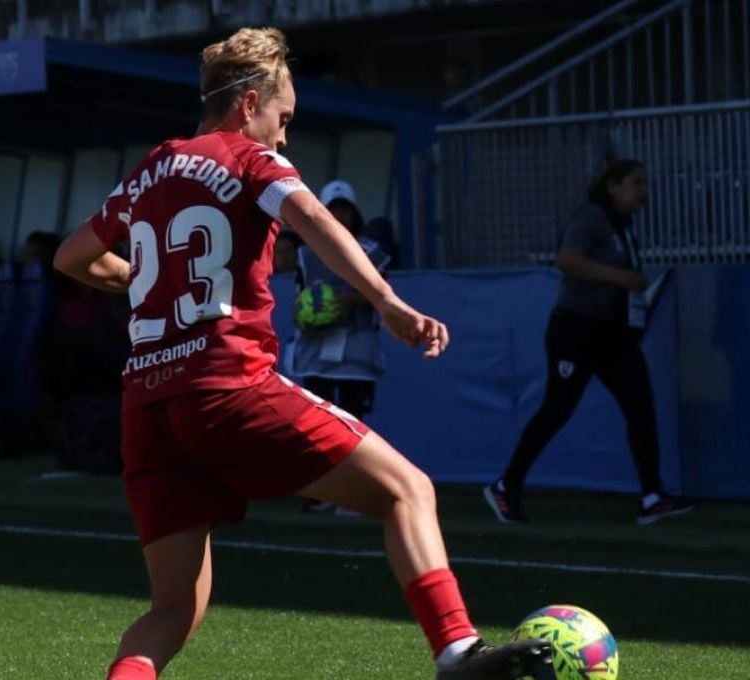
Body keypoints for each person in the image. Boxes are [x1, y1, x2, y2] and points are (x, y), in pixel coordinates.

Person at [53, 27, 551, 680]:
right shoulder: (248, 158)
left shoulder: (153, 166)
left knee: (173, 610)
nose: (284, 136)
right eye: (283, 119)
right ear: (251, 102)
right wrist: (387, 301)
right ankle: (459, 652)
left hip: (147, 411)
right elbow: (315, 221)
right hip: (225, 386)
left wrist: (132, 279)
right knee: (407, 490)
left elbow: (70, 256)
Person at [484, 160, 693, 527]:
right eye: (636, 183)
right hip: (577, 330)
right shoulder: (591, 218)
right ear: (612, 186)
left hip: (612, 334)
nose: (643, 192)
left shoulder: (622, 227)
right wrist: (621, 277)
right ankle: (506, 485)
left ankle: (652, 496)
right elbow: (567, 259)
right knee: (557, 409)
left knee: (640, 404)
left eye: (645, 183)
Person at [292, 179, 389, 418]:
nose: (339, 216)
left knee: (354, 424)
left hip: (356, 356)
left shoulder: (373, 253)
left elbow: (385, 297)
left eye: (345, 210)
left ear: (355, 213)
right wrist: (306, 317)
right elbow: (299, 298)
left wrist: (349, 299)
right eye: (332, 210)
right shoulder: (305, 254)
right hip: (315, 355)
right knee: (317, 423)